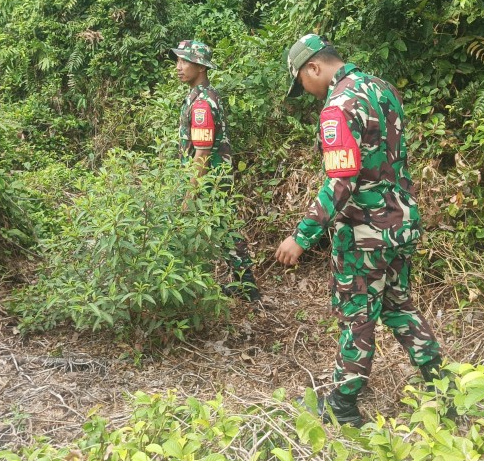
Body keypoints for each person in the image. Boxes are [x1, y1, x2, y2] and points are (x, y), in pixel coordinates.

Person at [275, 34, 442, 426]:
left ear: (314, 67)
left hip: (365, 232)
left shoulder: (338, 106)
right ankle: (446, 390)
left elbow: (342, 179)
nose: (307, 91)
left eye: (302, 80)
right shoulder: (382, 90)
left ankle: (343, 407)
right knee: (400, 308)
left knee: (357, 315)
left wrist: (301, 236)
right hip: (401, 223)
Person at [171, 39, 260, 302]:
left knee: (221, 227)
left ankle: (242, 286)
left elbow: (202, 152)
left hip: (207, 179)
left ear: (200, 67)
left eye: (184, 61)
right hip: (209, 177)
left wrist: (190, 192)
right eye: (178, 61)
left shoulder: (202, 103)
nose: (178, 67)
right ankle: (245, 285)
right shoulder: (201, 95)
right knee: (224, 227)